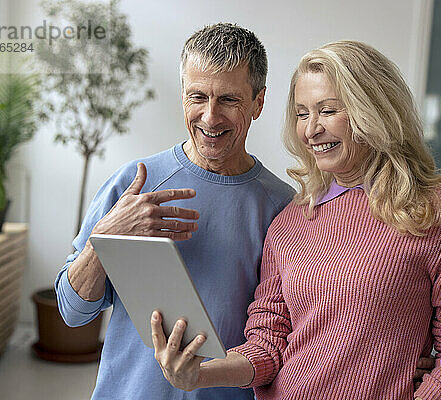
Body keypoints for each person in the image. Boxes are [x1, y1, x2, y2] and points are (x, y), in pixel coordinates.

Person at [151, 40, 441, 400]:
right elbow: (266, 344)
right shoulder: (290, 221)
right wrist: (199, 374)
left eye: (327, 111)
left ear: (372, 111)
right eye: (302, 113)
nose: (311, 129)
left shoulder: (436, 212)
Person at [55, 23, 295, 400]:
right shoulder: (134, 183)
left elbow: (291, 335)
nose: (210, 117)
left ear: (258, 102)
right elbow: (72, 313)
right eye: (197, 96)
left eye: (229, 100)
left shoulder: (282, 206)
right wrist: (106, 236)